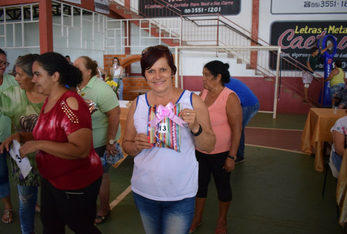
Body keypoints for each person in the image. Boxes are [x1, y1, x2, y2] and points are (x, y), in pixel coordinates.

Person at [0, 52, 103, 234]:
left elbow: (81, 149)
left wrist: (39, 145)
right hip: (52, 180)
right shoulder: (50, 100)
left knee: (81, 227)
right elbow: (49, 134)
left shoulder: (70, 104)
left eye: (38, 74)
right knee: (51, 225)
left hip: (75, 182)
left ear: (55, 76)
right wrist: (21, 136)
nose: (34, 79)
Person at [122, 45, 216, 234]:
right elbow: (126, 145)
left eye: (163, 69)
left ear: (173, 70)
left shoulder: (192, 101)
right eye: (151, 71)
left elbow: (209, 145)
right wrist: (136, 146)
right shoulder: (138, 104)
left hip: (181, 194)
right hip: (144, 192)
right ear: (145, 74)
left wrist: (196, 127)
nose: (157, 76)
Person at [0, 54, 46, 234]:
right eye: (15, 73)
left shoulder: (53, 97)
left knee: (53, 206)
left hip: (52, 160)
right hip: (24, 162)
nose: (15, 78)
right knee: (25, 202)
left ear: (35, 75)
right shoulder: (13, 95)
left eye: (19, 74)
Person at [189, 60, 242, 234]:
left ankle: (222, 221)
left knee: (223, 187)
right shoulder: (203, 94)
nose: (203, 78)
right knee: (199, 186)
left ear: (218, 77)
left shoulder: (230, 97)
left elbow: (237, 130)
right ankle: (197, 217)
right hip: (200, 150)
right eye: (202, 74)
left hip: (222, 153)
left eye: (206, 75)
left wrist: (231, 156)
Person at [74, 56, 121, 224]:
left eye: (77, 67)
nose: (73, 69)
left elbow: (114, 115)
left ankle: (103, 208)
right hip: (81, 142)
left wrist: (110, 142)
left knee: (101, 176)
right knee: (83, 176)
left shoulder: (101, 89)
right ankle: (87, 205)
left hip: (99, 142)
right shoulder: (75, 87)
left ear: (88, 71)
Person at [0, 46, 17, 224]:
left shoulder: (13, 80)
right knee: (1, 173)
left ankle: (30, 201)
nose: (3, 66)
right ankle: (8, 206)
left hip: (17, 137)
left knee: (25, 172)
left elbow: (23, 101)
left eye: (5, 62)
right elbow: (15, 103)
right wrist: (9, 103)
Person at [224, 77, 259, 163]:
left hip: (249, 106)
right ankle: (236, 153)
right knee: (236, 128)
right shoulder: (227, 80)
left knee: (237, 128)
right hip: (246, 104)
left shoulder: (225, 84)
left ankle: (239, 155)